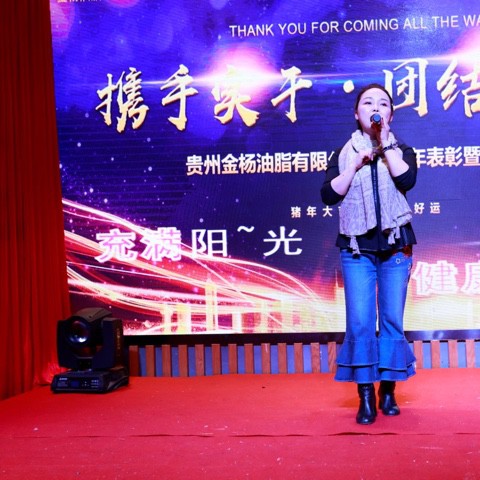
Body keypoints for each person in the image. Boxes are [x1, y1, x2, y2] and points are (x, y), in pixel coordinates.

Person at [321, 83, 417, 425]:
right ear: (356, 112)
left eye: (383, 104)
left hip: (396, 246)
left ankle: (387, 390)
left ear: (390, 114)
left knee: (392, 320)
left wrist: (385, 142)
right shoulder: (343, 153)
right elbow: (329, 195)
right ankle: (365, 395)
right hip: (357, 249)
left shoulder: (401, 149)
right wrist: (354, 165)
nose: (375, 108)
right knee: (360, 322)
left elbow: (406, 180)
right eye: (368, 103)